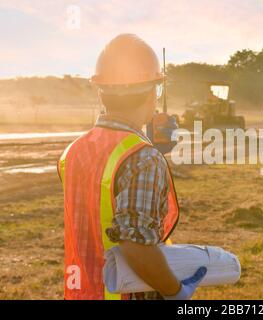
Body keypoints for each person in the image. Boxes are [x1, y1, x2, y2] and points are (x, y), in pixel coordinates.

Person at [58, 33, 206, 300]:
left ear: (101, 93)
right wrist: (176, 291)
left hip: (81, 291)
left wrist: (143, 145)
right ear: (153, 93)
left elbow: (102, 198)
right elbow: (136, 246)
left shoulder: (73, 151)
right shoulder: (143, 159)